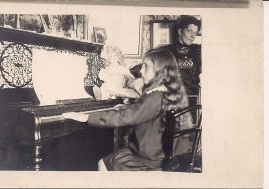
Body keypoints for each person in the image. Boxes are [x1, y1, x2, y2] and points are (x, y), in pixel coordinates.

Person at [63, 48, 192, 171]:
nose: (141, 71)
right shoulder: (168, 91)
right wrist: (128, 107)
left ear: (160, 71)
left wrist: (87, 117)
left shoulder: (154, 97)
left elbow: (127, 116)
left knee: (103, 163)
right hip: (164, 153)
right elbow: (146, 111)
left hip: (149, 158)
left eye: (146, 66)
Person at [162, 16, 201, 96]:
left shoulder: (198, 50)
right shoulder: (166, 51)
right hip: (172, 99)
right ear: (180, 31)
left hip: (194, 99)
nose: (193, 36)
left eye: (195, 33)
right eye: (190, 31)